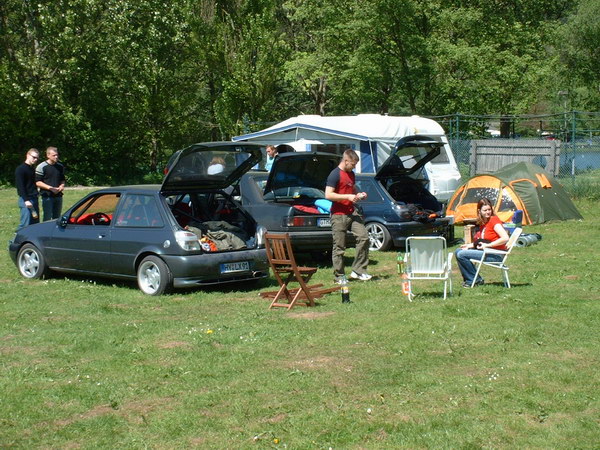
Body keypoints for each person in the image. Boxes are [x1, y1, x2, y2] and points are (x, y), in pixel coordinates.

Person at [325, 148, 372, 283]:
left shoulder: (351, 174)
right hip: (339, 214)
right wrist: (348, 196)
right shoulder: (334, 174)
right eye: (352, 164)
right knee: (339, 246)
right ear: (345, 161)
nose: (354, 167)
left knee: (364, 237)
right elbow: (328, 195)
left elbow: (351, 188)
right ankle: (339, 276)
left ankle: (359, 270)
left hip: (352, 212)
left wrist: (358, 195)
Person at [455, 198, 509, 287]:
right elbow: (485, 240)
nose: (488, 212)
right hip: (488, 252)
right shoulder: (484, 222)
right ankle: (473, 279)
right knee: (458, 251)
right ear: (479, 211)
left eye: (489, 210)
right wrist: (470, 245)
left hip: (496, 255)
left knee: (461, 255)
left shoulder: (494, 220)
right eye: (485, 210)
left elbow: (505, 238)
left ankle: (473, 280)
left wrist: (489, 245)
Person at [35, 146, 65, 221]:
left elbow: (62, 179)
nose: (56, 157)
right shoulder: (41, 166)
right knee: (47, 218)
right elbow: (38, 182)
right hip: (47, 196)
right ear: (48, 155)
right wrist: (51, 188)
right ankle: (45, 232)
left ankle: (55, 232)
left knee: (57, 218)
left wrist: (62, 186)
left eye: (57, 155)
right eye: (54, 155)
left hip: (58, 195)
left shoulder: (60, 166)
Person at [15, 148, 41, 231]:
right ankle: (13, 242)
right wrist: (26, 200)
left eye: (37, 158)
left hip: (34, 198)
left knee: (35, 223)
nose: (35, 159)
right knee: (25, 224)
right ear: (27, 155)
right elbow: (20, 186)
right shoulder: (20, 169)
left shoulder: (31, 169)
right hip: (26, 200)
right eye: (34, 157)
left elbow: (32, 183)